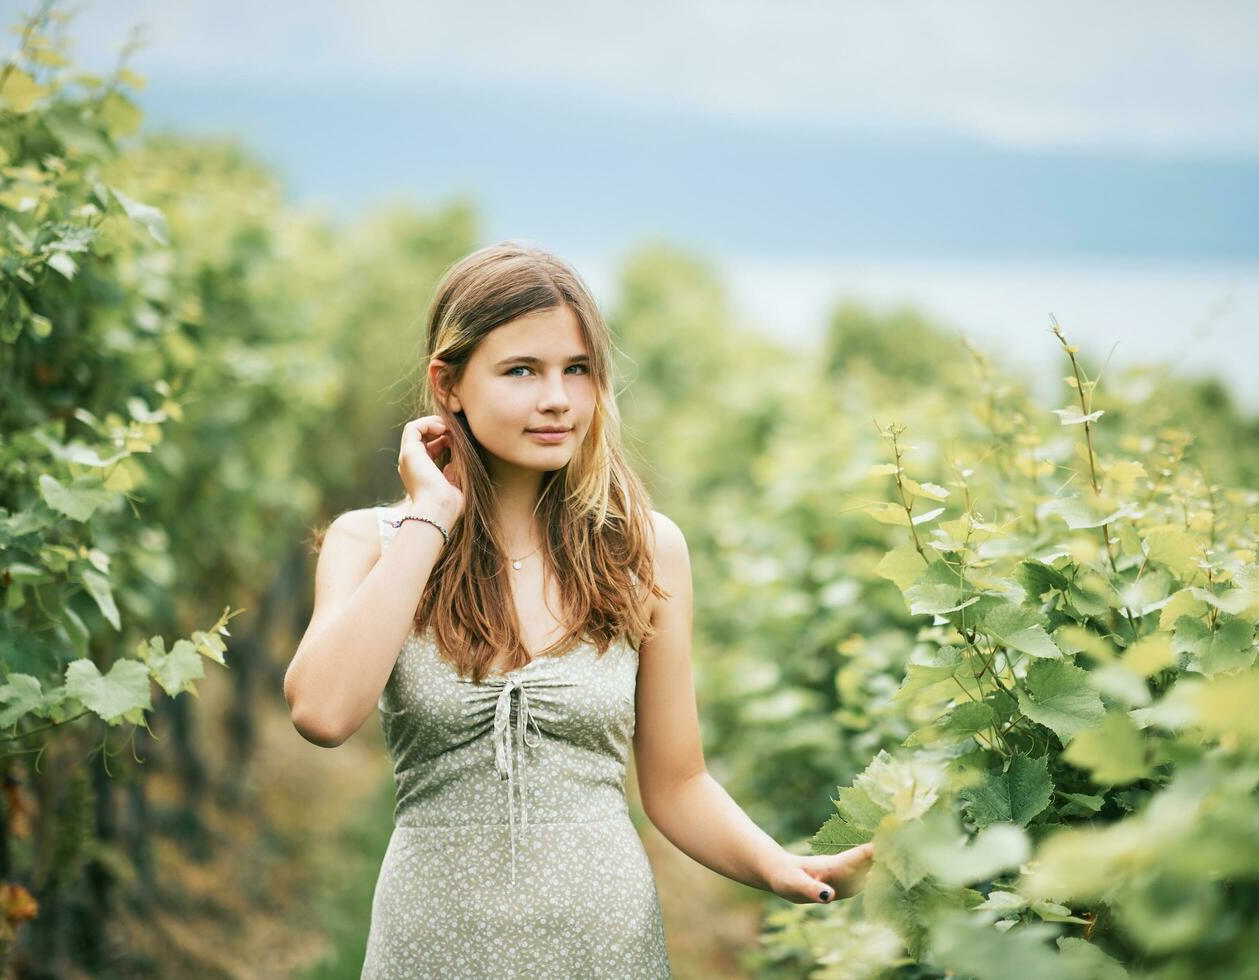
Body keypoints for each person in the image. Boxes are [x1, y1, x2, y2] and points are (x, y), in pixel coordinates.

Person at [282, 241, 874, 978]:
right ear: (449, 384)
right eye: (522, 370)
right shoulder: (368, 543)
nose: (557, 398)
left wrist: (777, 867)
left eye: (577, 369)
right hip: (429, 947)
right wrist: (429, 515)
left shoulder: (645, 551)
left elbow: (677, 782)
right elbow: (322, 713)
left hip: (604, 947)